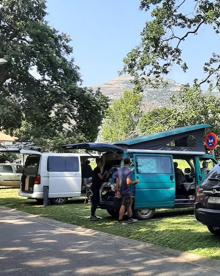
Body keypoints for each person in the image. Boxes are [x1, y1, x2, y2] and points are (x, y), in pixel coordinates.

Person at [115, 158, 139, 224]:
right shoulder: (129, 171)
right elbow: (128, 182)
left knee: (129, 204)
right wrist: (135, 182)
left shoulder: (119, 170)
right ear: (129, 163)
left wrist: (117, 190)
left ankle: (130, 218)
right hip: (126, 191)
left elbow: (117, 181)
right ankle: (120, 220)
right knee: (123, 205)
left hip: (121, 190)